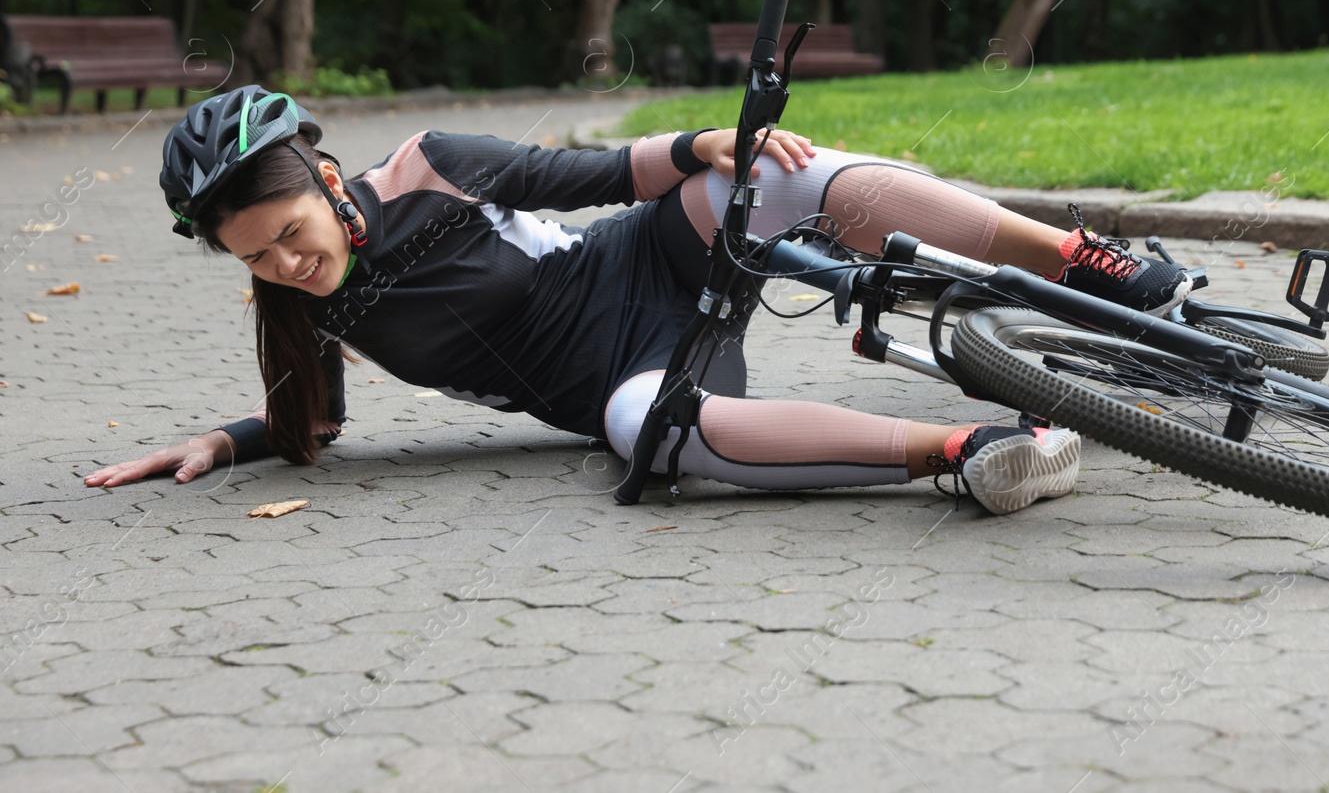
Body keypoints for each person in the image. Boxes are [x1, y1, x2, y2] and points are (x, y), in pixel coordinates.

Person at [83, 87, 1192, 514]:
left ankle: (1086, 260)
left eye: (288, 235)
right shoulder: (305, 309)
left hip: (646, 259)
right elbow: (314, 425)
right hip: (628, 375)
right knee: (649, 437)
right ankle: (983, 448)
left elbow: (600, 175)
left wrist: (702, 142)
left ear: (327, 183)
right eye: (255, 259)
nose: (283, 263)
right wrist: (224, 443)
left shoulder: (430, 164)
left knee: (756, 175)